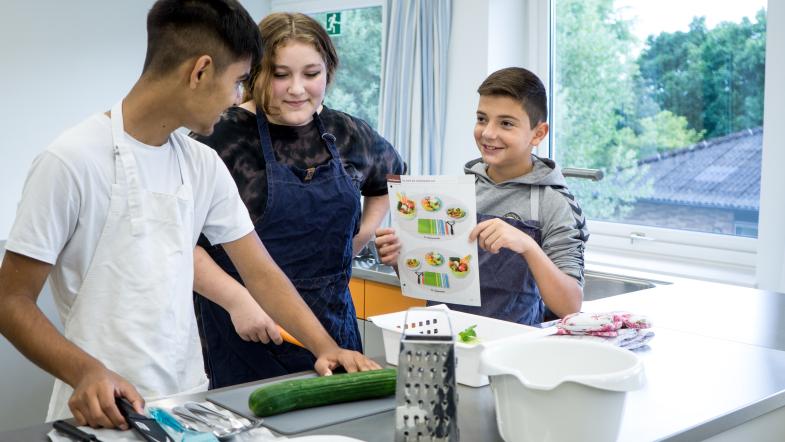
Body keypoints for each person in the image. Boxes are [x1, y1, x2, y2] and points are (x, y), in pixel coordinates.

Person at [0, 0, 377, 430]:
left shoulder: (201, 164)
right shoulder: (71, 161)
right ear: (199, 72)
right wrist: (85, 372)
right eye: (237, 82)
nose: (239, 98)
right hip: (99, 411)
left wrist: (325, 347)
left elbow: (261, 273)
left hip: (188, 404)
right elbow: (10, 302)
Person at [191, 12, 405, 388]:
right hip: (246, 330)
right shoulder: (217, 138)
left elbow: (391, 178)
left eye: (311, 74)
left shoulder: (347, 133)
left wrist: (364, 232)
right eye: (280, 74)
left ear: (328, 71)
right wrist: (237, 300)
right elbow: (179, 240)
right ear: (254, 72)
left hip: (333, 323)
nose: (296, 89)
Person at [375, 67, 587, 325]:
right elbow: (434, 280)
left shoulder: (554, 203)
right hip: (447, 338)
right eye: (482, 119)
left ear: (538, 133)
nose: (488, 133)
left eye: (506, 123)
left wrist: (528, 245)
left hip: (513, 350)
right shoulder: (455, 193)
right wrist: (402, 259)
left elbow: (569, 305)